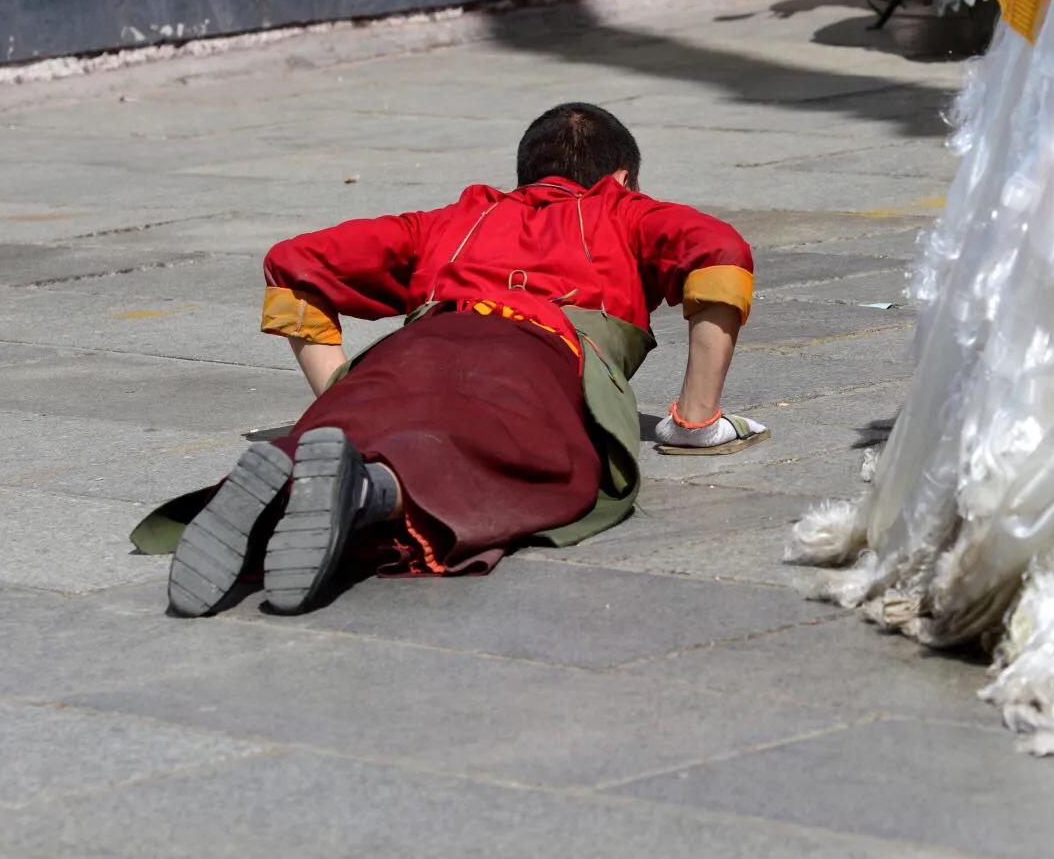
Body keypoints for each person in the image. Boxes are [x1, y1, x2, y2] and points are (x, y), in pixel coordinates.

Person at [136, 102, 768, 617]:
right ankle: (365, 488)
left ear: (526, 172)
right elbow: (719, 250)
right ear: (622, 178)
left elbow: (295, 261)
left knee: (388, 418)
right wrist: (693, 420)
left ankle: (310, 453)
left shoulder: (448, 220)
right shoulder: (621, 211)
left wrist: (338, 394)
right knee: (520, 459)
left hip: (412, 347)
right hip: (535, 353)